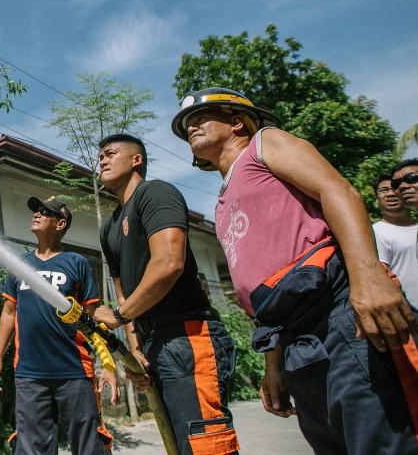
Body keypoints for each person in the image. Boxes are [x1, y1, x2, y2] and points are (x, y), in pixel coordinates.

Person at [173, 86, 418, 455]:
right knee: (332, 445)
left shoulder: (265, 144)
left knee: (381, 440)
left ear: (238, 121)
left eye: (200, 118)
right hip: (294, 340)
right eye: (187, 124)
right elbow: (260, 285)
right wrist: (274, 364)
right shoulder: (222, 204)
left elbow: (338, 190)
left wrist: (370, 276)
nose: (191, 127)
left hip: (338, 315)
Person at [90, 134, 239, 455]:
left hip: (188, 336)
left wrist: (119, 316)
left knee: (205, 446)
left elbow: (169, 262)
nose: (102, 160)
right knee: (181, 446)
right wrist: (135, 351)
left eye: (110, 154)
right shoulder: (110, 227)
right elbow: (122, 289)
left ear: (136, 160)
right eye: (100, 156)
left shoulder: (155, 193)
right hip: (154, 343)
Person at [0, 196, 118, 455]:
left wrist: (109, 365)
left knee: (89, 444)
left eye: (45, 212)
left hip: (74, 369)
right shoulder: (20, 265)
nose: (37, 214)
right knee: (31, 447)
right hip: (29, 372)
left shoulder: (76, 263)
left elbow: (92, 320)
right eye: (36, 210)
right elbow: (9, 312)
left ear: (60, 223)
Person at [371, 173, 418, 304]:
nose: (390, 194)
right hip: (407, 315)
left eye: (394, 189)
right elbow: (379, 279)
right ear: (377, 199)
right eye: (383, 190)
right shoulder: (374, 233)